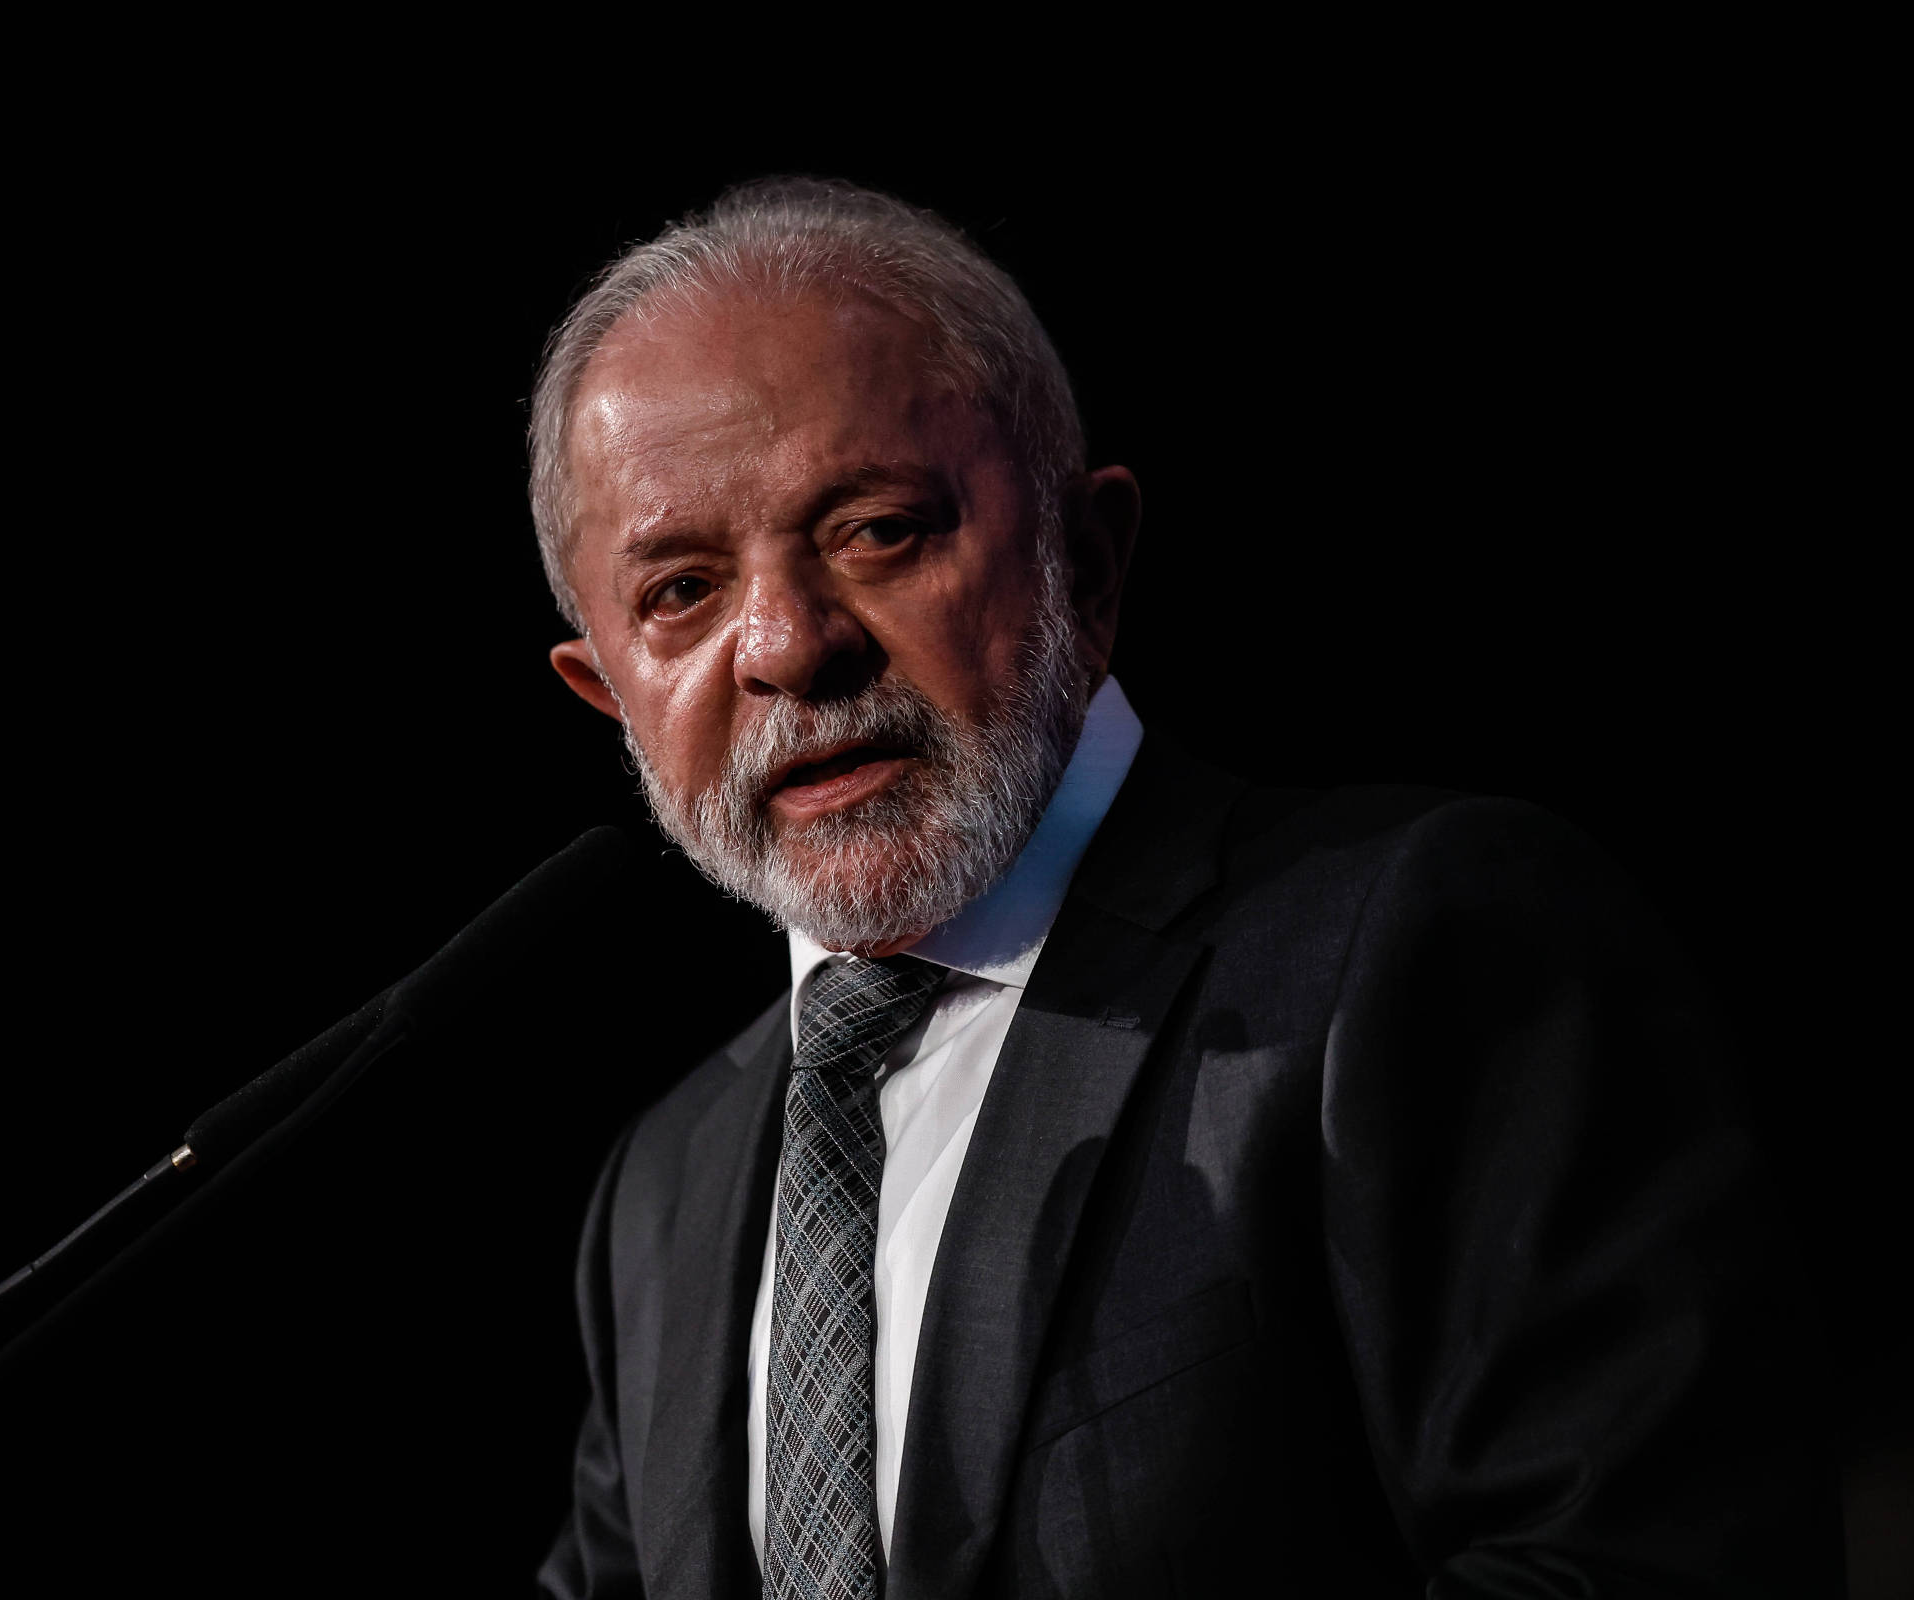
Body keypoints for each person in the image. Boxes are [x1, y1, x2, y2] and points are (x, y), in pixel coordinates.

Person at [532, 177, 1840, 1599]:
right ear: (609, 695)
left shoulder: (1415, 945)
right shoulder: (667, 1185)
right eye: (680, 592)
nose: (788, 644)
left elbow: (1646, 1562)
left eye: (879, 530)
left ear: (1087, 566)